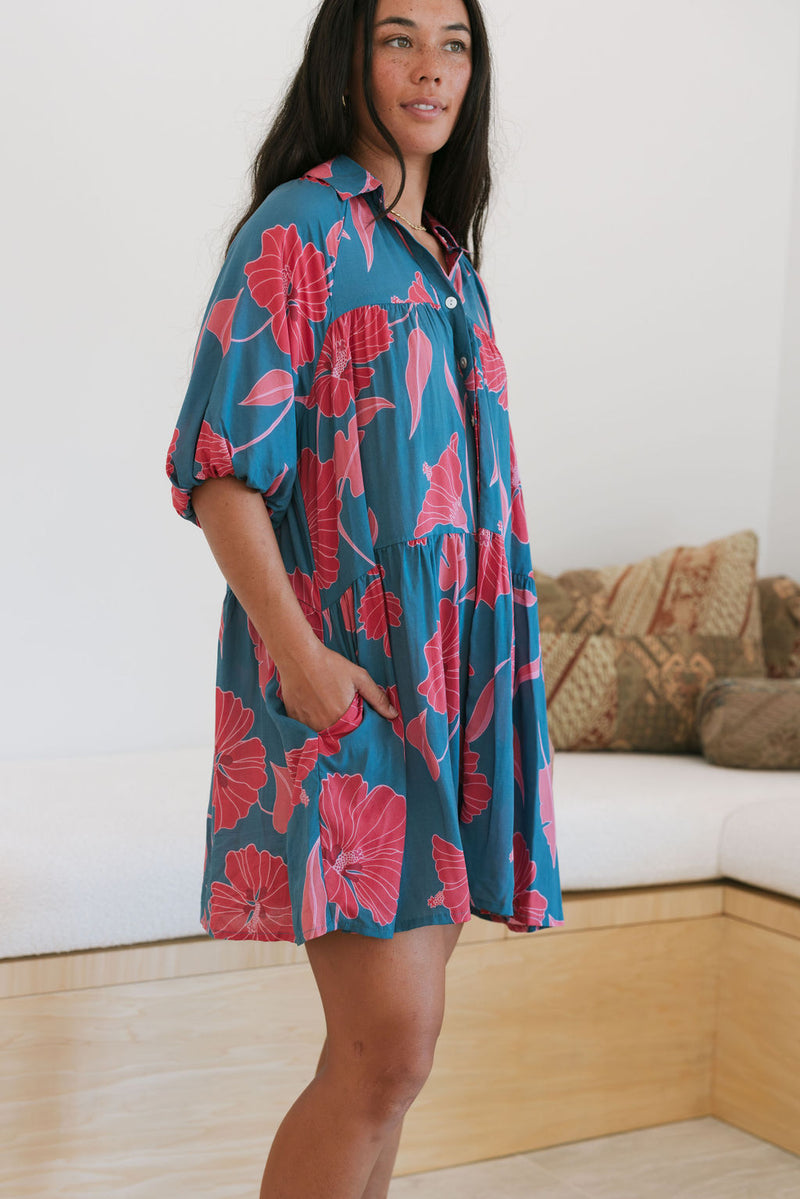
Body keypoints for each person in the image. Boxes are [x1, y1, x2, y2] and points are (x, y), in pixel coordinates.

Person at [165, 0, 564, 1194]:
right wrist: (299, 659)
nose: (429, 67)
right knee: (380, 1050)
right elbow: (221, 467)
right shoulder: (300, 228)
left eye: (453, 43)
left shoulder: (443, 258)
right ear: (348, 55)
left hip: (449, 688)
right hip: (350, 677)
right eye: (398, 38)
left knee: (395, 1055)